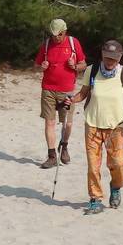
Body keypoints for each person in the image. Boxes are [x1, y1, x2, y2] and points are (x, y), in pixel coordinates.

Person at [68, 39, 123, 215]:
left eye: (114, 58)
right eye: (107, 57)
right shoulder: (91, 71)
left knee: (118, 163)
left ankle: (115, 188)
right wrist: (72, 100)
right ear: (102, 55)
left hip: (117, 126)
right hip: (92, 124)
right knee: (93, 165)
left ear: (120, 57)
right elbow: (83, 93)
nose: (110, 61)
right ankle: (95, 199)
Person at [35, 18, 86, 169]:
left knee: (67, 124)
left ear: (65, 32)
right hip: (48, 89)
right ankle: (51, 155)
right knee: (49, 122)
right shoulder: (46, 45)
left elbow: (83, 64)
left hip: (67, 90)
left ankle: (64, 146)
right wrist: (41, 67)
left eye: (59, 34)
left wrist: (74, 66)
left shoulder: (73, 43)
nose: (56, 37)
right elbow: (36, 65)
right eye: (53, 34)